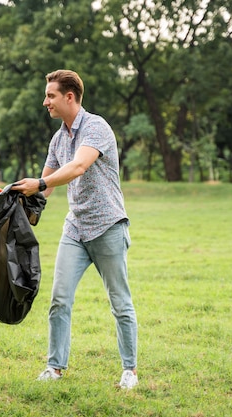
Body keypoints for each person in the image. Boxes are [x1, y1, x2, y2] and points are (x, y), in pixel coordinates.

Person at [11, 70, 139, 389]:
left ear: (70, 97)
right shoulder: (58, 138)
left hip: (107, 226)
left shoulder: (95, 127)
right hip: (76, 230)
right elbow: (43, 192)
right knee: (59, 299)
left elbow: (77, 167)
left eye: (50, 96)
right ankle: (55, 367)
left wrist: (39, 183)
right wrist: (10, 209)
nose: (45, 102)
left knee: (119, 301)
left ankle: (129, 370)